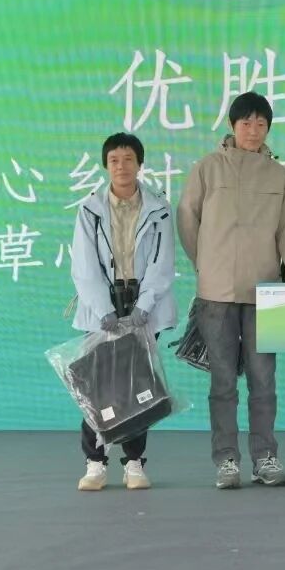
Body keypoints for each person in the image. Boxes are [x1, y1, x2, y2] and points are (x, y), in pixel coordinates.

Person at [177, 92, 285, 490]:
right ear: (232, 126)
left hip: (264, 290)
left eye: (261, 124)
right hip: (216, 293)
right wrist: (206, 264)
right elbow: (187, 220)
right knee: (222, 382)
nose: (253, 131)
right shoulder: (207, 169)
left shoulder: (278, 175)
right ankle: (226, 459)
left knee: (263, 381)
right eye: (246, 123)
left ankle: (265, 457)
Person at [70, 132, 177, 491]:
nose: (121, 166)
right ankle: (95, 462)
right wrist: (104, 310)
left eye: (128, 159)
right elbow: (84, 266)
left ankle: (134, 462)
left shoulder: (159, 208)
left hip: (144, 306)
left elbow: (163, 263)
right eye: (114, 160)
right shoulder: (90, 209)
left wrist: (143, 307)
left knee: (139, 385)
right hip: (103, 306)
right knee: (98, 385)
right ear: (105, 165)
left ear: (140, 164)